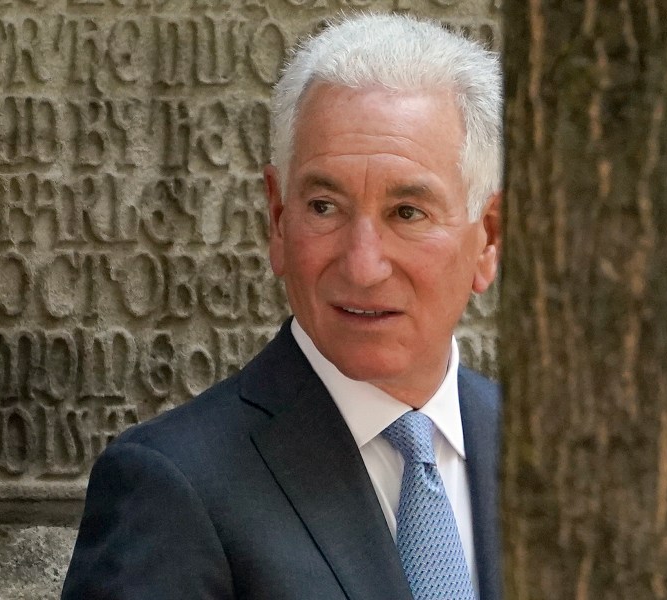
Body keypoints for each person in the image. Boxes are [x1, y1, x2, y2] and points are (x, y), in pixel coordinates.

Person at [61, 13, 502, 600]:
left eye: (407, 213)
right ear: (277, 218)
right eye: (324, 206)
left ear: (488, 238)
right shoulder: (171, 487)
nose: (362, 265)